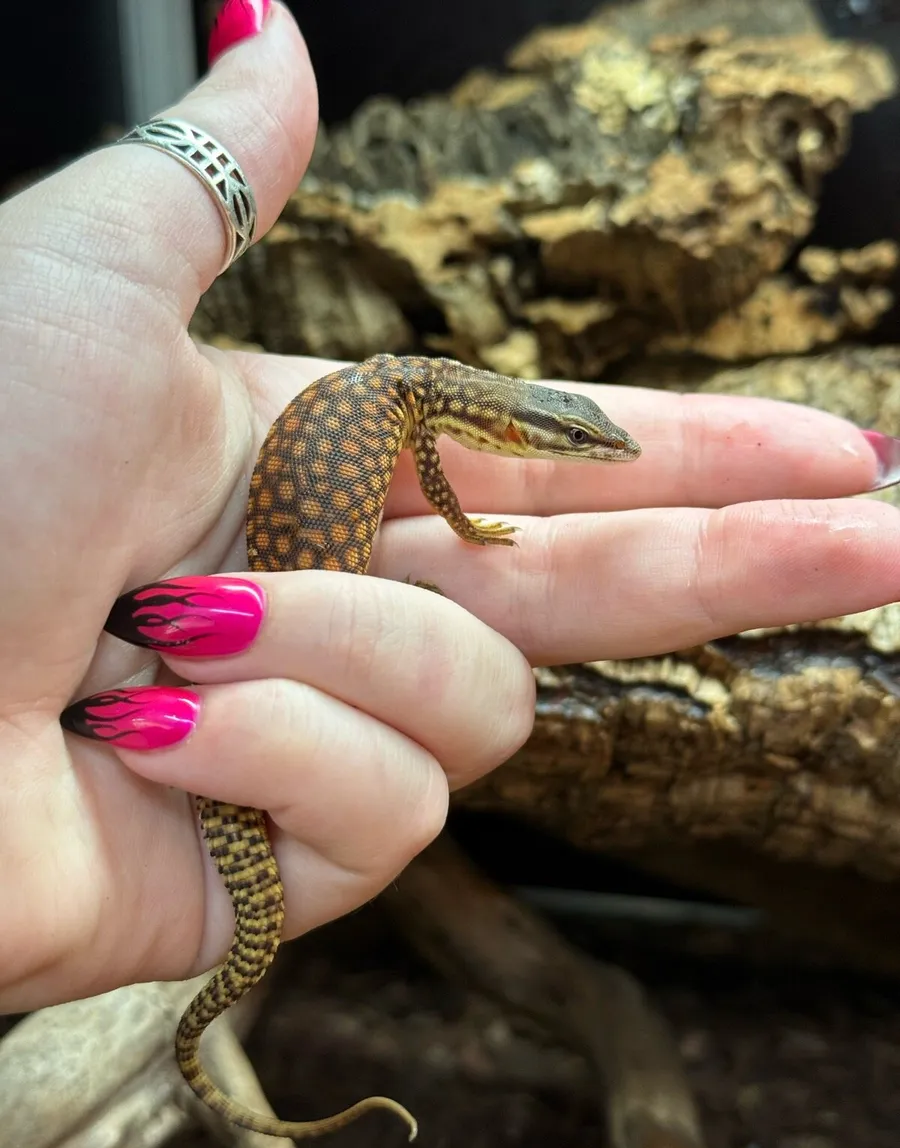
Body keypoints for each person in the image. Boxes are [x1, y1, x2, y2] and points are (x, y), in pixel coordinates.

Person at [3, 0, 900, 1014]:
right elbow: (432, 489)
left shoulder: (406, 402)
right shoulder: (410, 416)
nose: (591, 453)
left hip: (259, 607)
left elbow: (427, 482)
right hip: (263, 603)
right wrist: (468, 531)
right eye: (571, 440)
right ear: (511, 430)